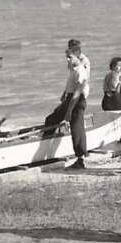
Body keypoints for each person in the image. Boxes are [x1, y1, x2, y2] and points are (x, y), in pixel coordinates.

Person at [44, 39, 90, 169]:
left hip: (77, 99)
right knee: (51, 119)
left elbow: (78, 90)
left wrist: (69, 111)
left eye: (70, 57)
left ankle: (80, 159)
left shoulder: (81, 68)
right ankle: (46, 149)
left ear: (77, 56)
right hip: (71, 97)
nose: (67, 60)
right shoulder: (73, 67)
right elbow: (71, 83)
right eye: (67, 58)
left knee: (77, 128)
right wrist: (65, 93)